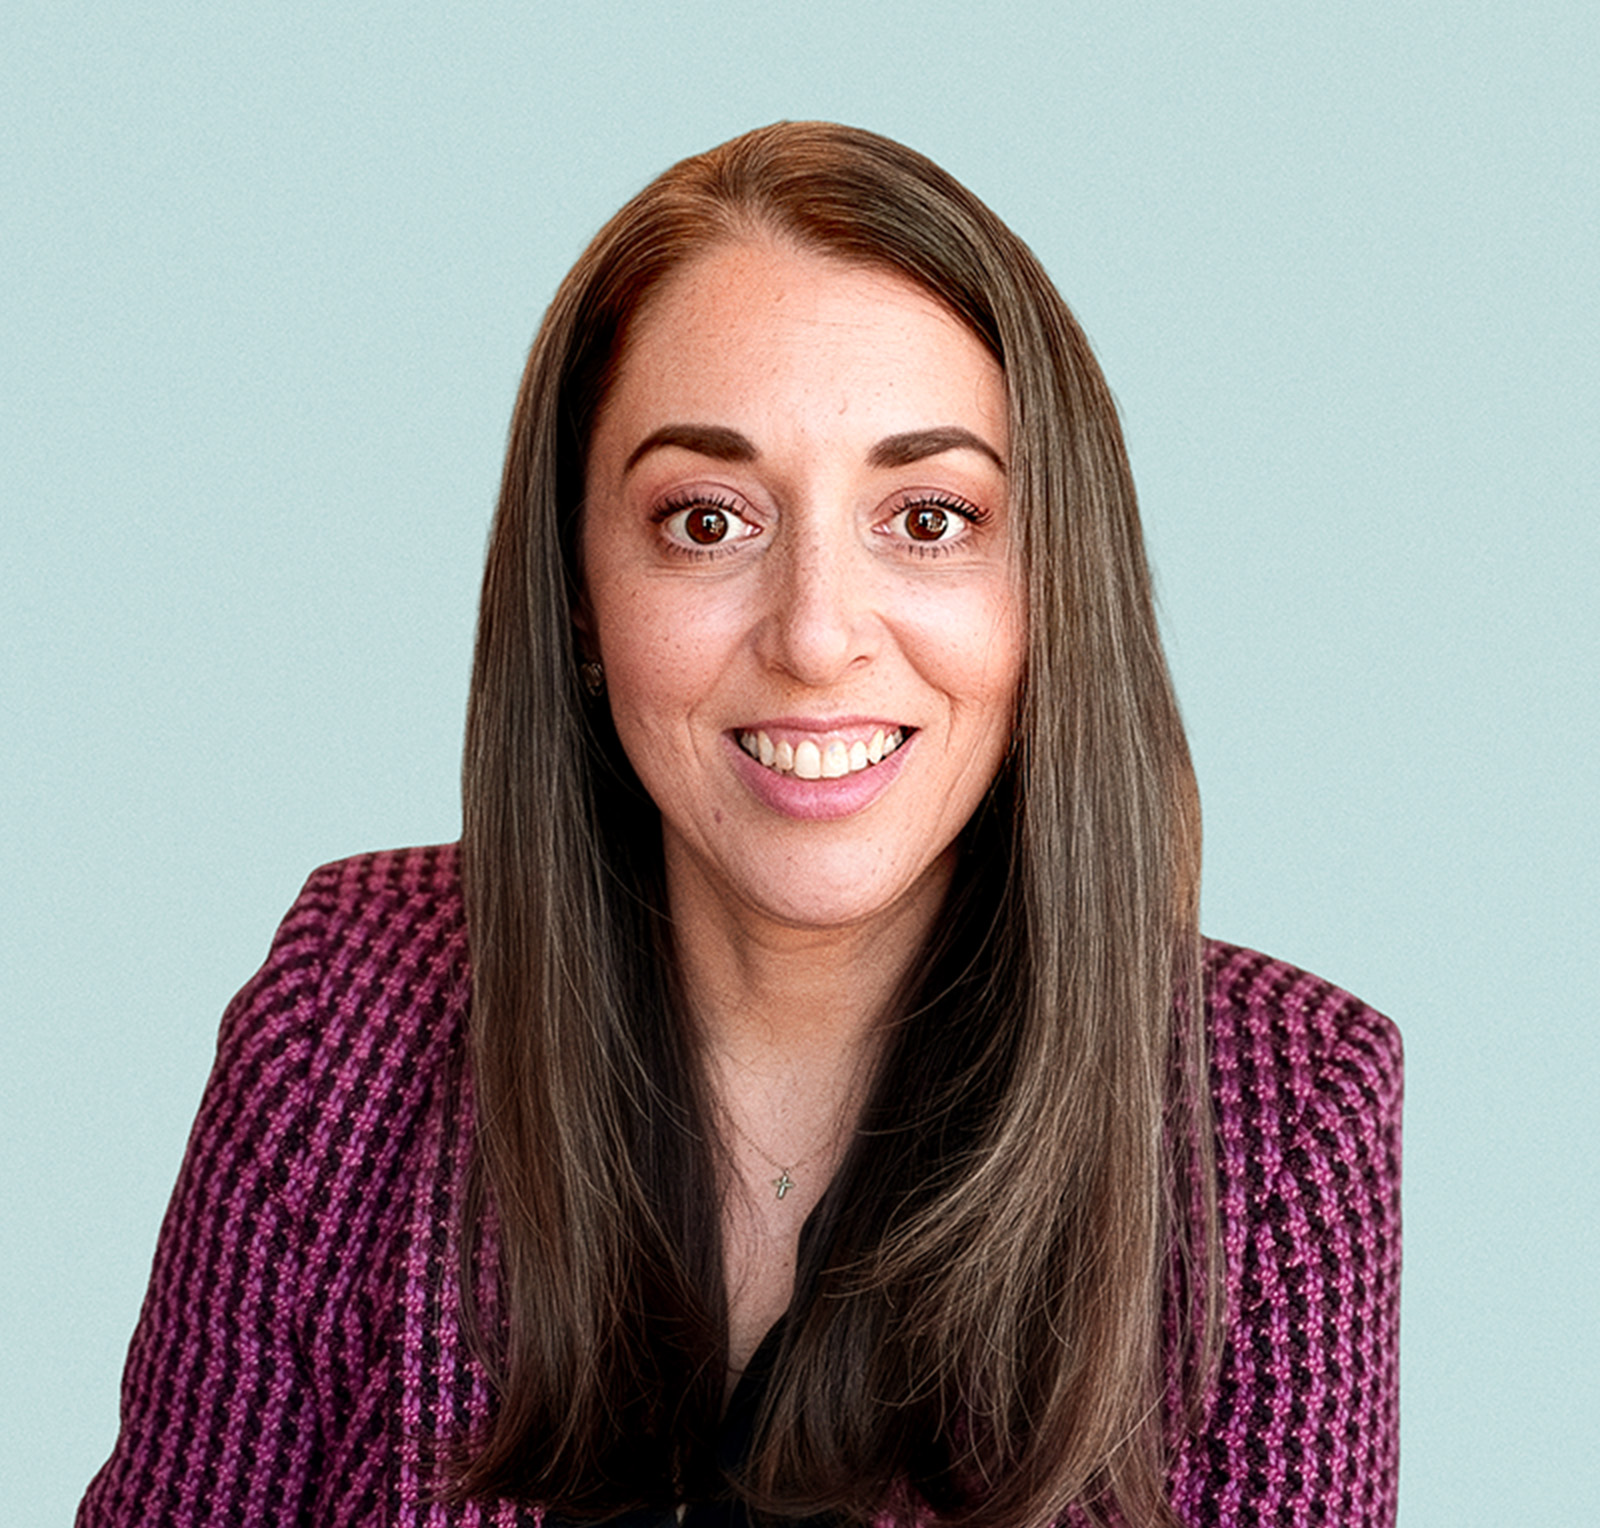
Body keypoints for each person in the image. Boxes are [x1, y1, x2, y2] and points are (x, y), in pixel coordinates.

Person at [79, 122, 1401, 1528]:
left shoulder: (1285, 1127)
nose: (818, 635)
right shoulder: (350, 1010)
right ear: (579, 596)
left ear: (1049, 584)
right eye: (708, 521)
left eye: (933, 519)